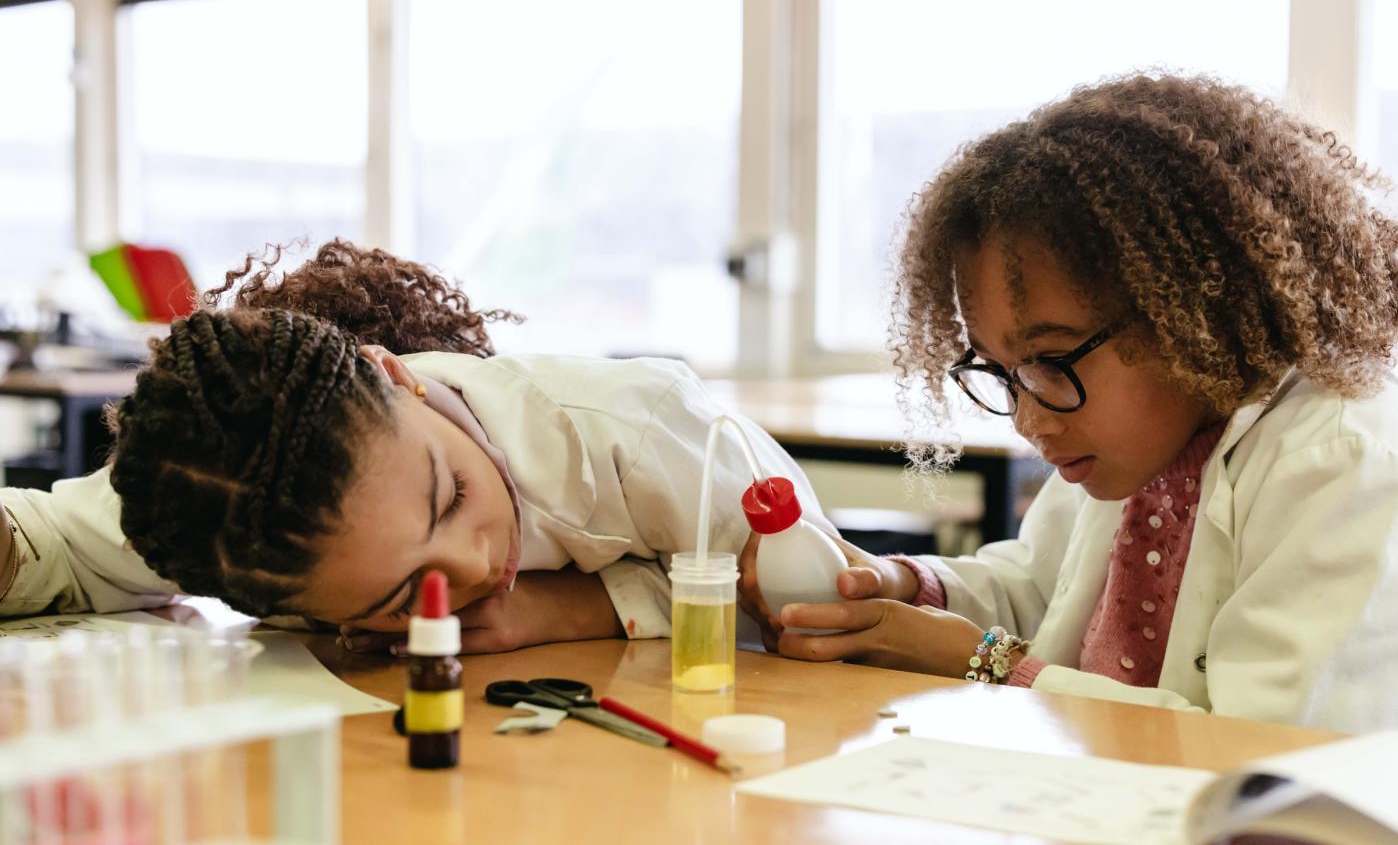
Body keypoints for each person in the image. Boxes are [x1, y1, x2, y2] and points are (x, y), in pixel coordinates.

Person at [741, 72, 1398, 761]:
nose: (1025, 415)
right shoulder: (1146, 444)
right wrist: (900, 589)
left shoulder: (1350, 469)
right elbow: (1042, 594)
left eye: (1052, 360)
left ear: (1190, 310)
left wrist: (983, 664)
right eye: (1003, 371)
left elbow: (1268, 767)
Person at [0, 239, 830, 654]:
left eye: (453, 494)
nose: (473, 566)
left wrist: (574, 609)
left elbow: (815, 611)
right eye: (401, 595)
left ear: (397, 377)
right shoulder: (230, 508)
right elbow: (56, 544)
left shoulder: (641, 430)